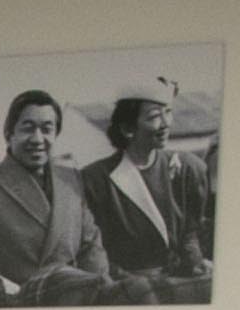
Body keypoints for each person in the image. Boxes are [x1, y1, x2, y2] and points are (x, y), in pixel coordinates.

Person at [0, 89, 110, 303]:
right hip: (16, 309)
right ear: (10, 134)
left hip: (75, 306)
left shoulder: (71, 179)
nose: (38, 139)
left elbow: (90, 245)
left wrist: (99, 291)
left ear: (56, 134)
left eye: (47, 129)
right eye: (28, 129)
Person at [78, 78, 211, 289]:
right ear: (128, 128)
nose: (166, 123)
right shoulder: (96, 179)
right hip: (128, 287)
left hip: (180, 280)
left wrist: (195, 263)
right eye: (154, 117)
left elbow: (190, 234)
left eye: (168, 112)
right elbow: (92, 250)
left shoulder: (188, 168)